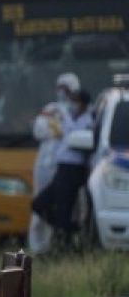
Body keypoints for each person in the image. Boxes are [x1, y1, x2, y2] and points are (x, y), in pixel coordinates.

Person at [31, 89, 94, 245]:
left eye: (76, 101)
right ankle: (67, 228)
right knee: (39, 204)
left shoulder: (88, 121)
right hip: (61, 168)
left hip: (73, 170)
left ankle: (64, 241)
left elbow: (79, 139)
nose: (73, 104)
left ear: (84, 105)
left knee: (64, 208)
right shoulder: (69, 118)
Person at [29, 73, 80, 253]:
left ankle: (55, 245)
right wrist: (55, 127)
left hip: (64, 168)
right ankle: (37, 247)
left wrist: (59, 127)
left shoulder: (77, 110)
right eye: (60, 88)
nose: (62, 92)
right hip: (44, 165)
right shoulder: (51, 108)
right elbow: (39, 129)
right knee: (38, 205)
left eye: (66, 88)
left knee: (63, 209)